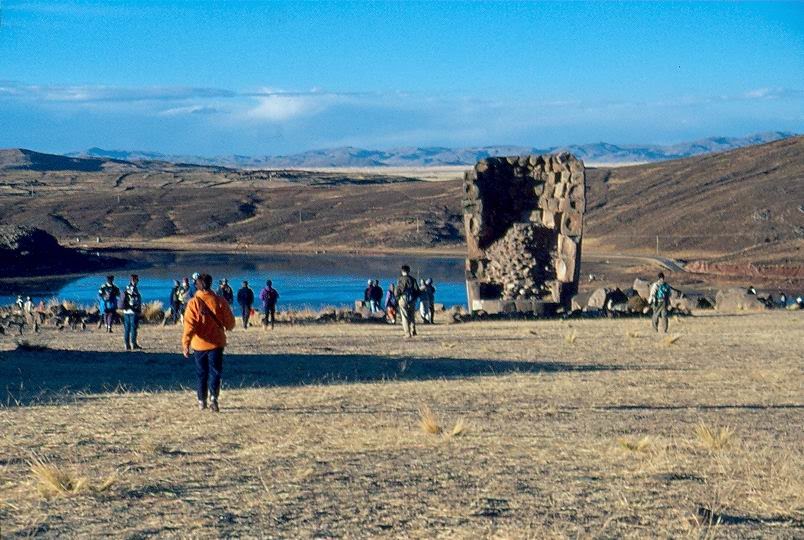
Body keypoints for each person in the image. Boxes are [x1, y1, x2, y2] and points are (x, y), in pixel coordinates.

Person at [182, 273, 236, 412]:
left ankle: (201, 400)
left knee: (201, 372)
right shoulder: (220, 301)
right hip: (217, 343)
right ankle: (214, 398)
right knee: (215, 371)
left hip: (199, 344)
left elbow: (189, 326)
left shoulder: (193, 303)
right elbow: (230, 323)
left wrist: (186, 343)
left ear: (197, 286)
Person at [395, 265, 419, 338]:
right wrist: (415, 298)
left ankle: (407, 333)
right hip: (412, 298)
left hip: (403, 298)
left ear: (402, 271)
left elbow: (398, 290)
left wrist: (397, 297)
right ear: (409, 271)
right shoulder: (413, 279)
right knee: (412, 315)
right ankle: (413, 330)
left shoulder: (400, 279)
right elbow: (417, 290)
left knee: (404, 316)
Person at [121, 274, 143, 350]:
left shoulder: (126, 288)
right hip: (132, 311)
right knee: (133, 328)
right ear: (134, 280)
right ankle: (133, 343)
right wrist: (137, 308)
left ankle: (127, 344)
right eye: (137, 280)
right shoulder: (133, 289)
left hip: (126, 311)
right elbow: (135, 300)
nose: (138, 281)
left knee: (127, 328)